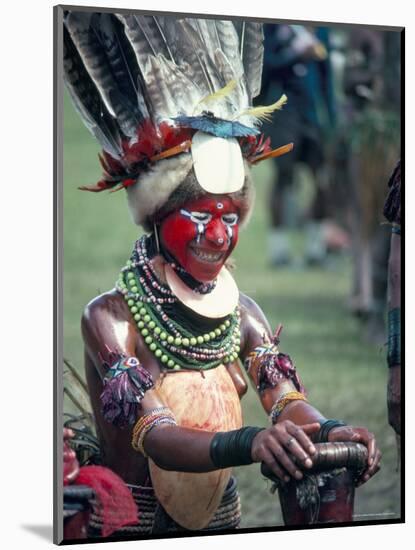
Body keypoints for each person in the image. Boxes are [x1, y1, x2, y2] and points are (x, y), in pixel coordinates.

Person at [64, 11, 381, 536]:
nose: (218, 235)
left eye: (229, 217)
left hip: (223, 524)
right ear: (159, 217)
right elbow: (158, 435)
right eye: (199, 216)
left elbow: (286, 403)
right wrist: (250, 442)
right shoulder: (111, 318)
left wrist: (329, 428)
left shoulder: (242, 313)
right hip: (132, 528)